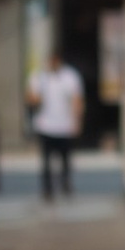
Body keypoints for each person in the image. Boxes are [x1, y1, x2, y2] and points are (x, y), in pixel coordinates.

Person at [32, 48, 85, 200]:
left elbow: (77, 100)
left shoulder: (70, 77)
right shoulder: (40, 77)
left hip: (64, 126)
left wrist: (77, 121)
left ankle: (65, 184)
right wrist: (36, 98)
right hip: (45, 126)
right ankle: (47, 189)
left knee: (65, 160)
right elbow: (31, 98)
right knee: (46, 161)